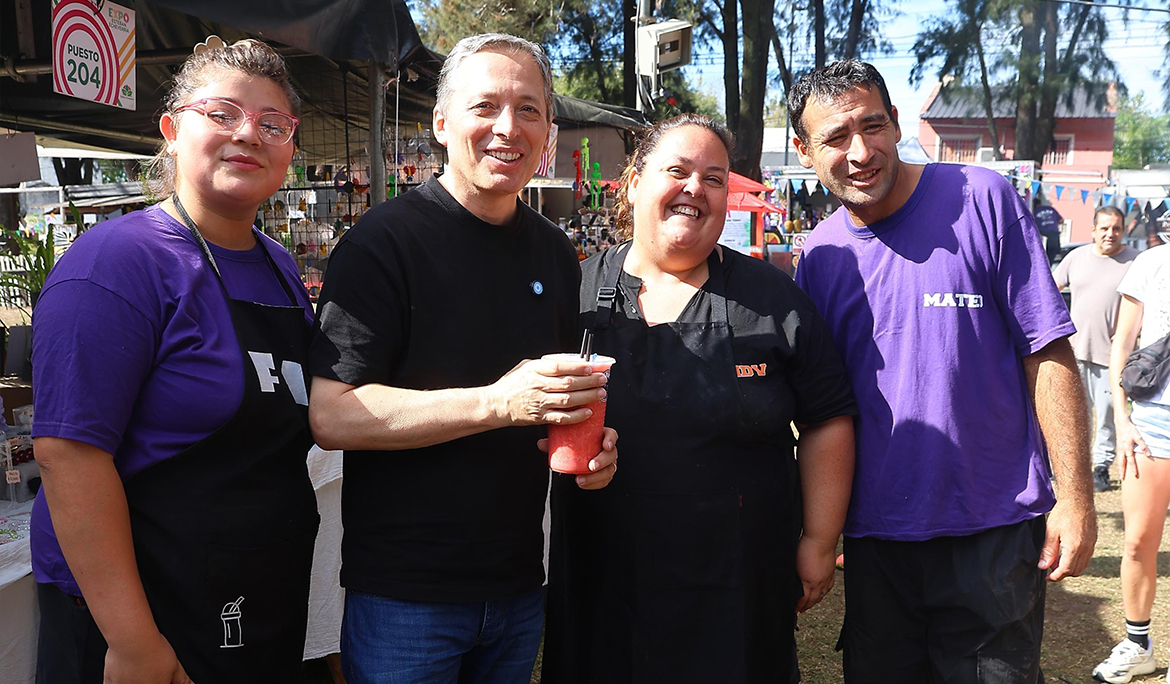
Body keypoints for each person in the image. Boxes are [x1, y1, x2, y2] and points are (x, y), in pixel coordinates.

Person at [307, 33, 618, 684]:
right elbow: (333, 415)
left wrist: (592, 443)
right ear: (442, 124)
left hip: (517, 585)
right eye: (486, 106)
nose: (508, 127)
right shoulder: (381, 244)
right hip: (405, 597)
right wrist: (498, 402)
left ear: (548, 131)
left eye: (529, 109)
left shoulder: (555, 254)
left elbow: (550, 400)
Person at [789, 60, 1097, 683]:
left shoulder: (982, 199)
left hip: (993, 530)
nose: (860, 152)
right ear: (804, 151)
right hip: (877, 540)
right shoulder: (819, 255)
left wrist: (1076, 498)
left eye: (872, 126)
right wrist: (818, 531)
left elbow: (1047, 351)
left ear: (897, 121)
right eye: (835, 138)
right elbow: (821, 411)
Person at [31, 38, 319, 683]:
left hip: (254, 592)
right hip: (142, 613)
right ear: (170, 129)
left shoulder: (279, 267)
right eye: (222, 113)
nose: (248, 134)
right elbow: (68, 455)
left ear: (290, 147)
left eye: (273, 123)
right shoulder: (118, 263)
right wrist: (134, 643)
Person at [542, 114, 857, 684]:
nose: (696, 188)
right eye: (678, 171)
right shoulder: (574, 292)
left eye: (714, 179)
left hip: (737, 593)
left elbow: (827, 418)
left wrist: (818, 540)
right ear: (633, 183)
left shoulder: (772, 300)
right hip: (601, 585)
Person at [1091, 239, 1170, 683]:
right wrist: (1121, 421)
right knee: (1139, 541)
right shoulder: (1152, 262)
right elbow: (1121, 342)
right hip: (1152, 422)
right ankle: (1138, 646)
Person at [1052, 206, 1138, 492]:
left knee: (1107, 416)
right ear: (1093, 230)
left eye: (1116, 228)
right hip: (1073, 352)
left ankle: (1101, 468)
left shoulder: (1135, 262)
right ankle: (1070, 468)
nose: (1110, 234)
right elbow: (1050, 290)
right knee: (1073, 415)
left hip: (1111, 357)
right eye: (1104, 228)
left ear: (1123, 231)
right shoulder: (1075, 258)